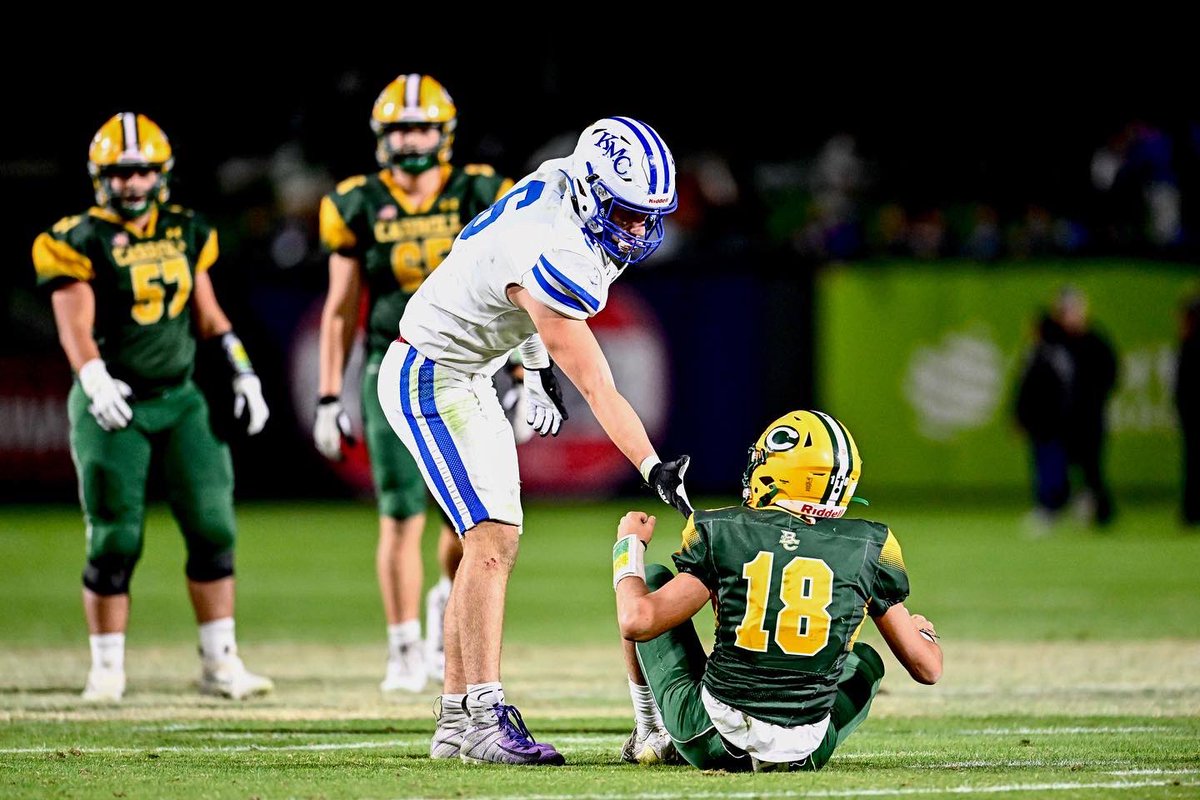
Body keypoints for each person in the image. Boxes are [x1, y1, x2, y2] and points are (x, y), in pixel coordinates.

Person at [377, 116, 694, 765]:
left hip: (467, 371)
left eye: (646, 216)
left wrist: (533, 363)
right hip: (431, 375)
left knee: (492, 541)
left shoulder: (554, 185)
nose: (637, 230)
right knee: (490, 542)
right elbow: (600, 386)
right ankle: (480, 718)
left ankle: (458, 719)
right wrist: (653, 465)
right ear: (592, 191)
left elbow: (499, 273)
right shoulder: (562, 247)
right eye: (628, 213)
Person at [31, 112, 273, 702]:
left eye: (141, 171)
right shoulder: (76, 238)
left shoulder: (186, 229)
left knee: (214, 527)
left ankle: (220, 663)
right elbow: (74, 324)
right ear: (100, 177)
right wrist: (93, 377)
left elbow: (209, 315)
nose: (132, 183)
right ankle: (107, 668)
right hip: (114, 402)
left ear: (161, 173)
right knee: (115, 537)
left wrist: (242, 370)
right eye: (120, 172)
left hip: (182, 398)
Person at [314, 73, 516, 694]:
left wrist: (524, 367)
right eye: (400, 129)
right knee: (399, 513)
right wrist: (329, 394)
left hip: (471, 367)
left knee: (475, 521)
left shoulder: (481, 191)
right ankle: (404, 646)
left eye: (420, 127)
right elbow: (341, 306)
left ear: (444, 132)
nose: (410, 140)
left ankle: (445, 602)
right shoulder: (355, 202)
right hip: (394, 363)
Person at [612, 409, 943, 771]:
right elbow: (927, 669)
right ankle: (792, 741)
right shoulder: (872, 545)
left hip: (710, 737)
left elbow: (637, 620)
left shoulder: (722, 529)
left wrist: (628, 546)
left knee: (652, 581)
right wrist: (923, 633)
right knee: (864, 659)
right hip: (805, 752)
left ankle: (650, 735)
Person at [1056, 287, 1118, 527]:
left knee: (1093, 465)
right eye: (1065, 311)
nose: (1070, 315)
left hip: (1091, 416)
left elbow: (1112, 373)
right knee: (1069, 464)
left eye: (1074, 310)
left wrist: (1095, 396)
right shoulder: (1058, 342)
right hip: (1067, 417)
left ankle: (1102, 510)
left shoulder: (1096, 341)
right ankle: (1076, 504)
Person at [1014, 308, 1074, 530]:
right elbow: (1024, 391)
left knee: (1052, 466)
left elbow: (1061, 392)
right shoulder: (1037, 353)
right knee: (1044, 464)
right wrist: (1021, 417)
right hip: (1040, 424)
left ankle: (1051, 508)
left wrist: (1060, 417)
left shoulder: (1053, 355)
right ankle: (1049, 506)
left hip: (1051, 424)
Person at [1176, 294, 1200, 527]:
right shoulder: (1186, 342)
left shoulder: (1190, 344)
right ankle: (1191, 511)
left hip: (1192, 415)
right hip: (1191, 415)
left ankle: (1191, 511)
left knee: (1192, 462)